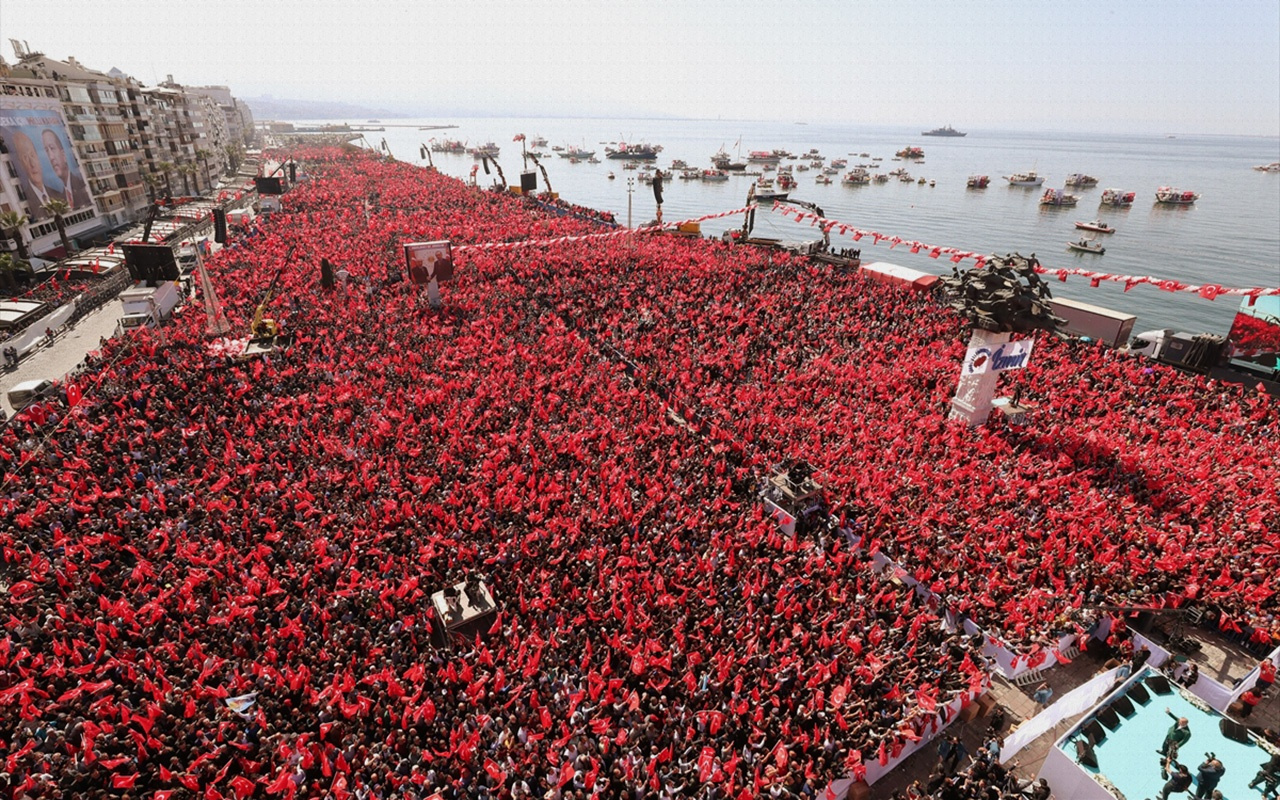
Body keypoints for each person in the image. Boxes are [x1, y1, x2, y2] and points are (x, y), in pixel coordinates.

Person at [8, 129, 61, 218]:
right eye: (25, 157)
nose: (32, 164)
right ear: (20, 163)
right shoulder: (25, 197)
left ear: (38, 157)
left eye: (32, 155)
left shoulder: (58, 194)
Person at [42, 128, 91, 210]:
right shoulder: (61, 197)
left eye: (52, 148)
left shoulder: (81, 184)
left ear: (63, 154)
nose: (51, 157)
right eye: (47, 151)